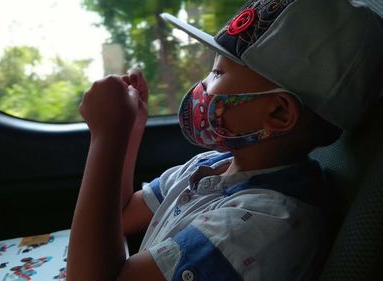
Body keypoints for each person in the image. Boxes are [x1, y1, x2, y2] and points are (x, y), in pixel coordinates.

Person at [66, 0, 383, 280]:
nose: (201, 86)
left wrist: (107, 138)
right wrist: (132, 132)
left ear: (277, 113)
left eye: (217, 74)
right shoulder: (211, 165)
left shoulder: (263, 226)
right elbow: (120, 216)